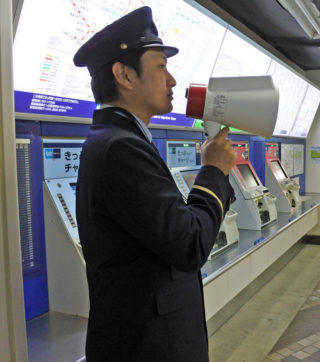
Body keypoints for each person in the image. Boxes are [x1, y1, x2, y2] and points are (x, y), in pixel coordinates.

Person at [73, 6, 236, 361]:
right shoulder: (120, 148)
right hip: (147, 345)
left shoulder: (120, 139)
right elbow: (190, 244)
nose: (172, 80)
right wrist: (214, 172)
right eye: (161, 66)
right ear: (124, 75)